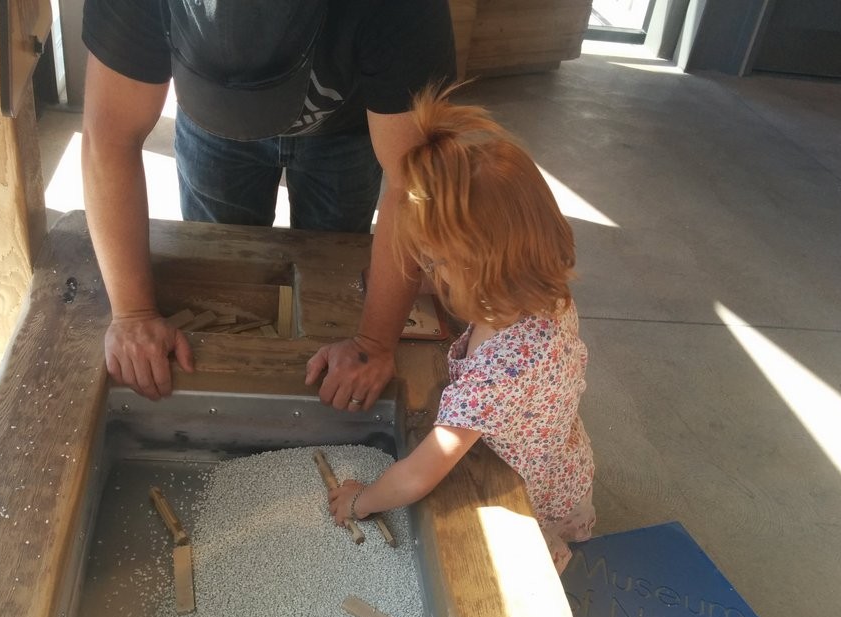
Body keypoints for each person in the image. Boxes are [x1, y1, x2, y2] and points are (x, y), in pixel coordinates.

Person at [80, 0, 456, 410]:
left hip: (346, 129)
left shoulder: (401, 10)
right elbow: (109, 138)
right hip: (209, 128)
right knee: (218, 278)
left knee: (334, 282)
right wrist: (132, 314)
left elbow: (411, 185)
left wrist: (373, 344)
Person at [328, 85, 596, 573]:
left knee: (513, 579)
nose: (428, 274)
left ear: (480, 272)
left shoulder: (497, 375)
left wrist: (360, 501)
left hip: (521, 491)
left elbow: (418, 476)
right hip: (562, 458)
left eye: (434, 263)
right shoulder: (541, 291)